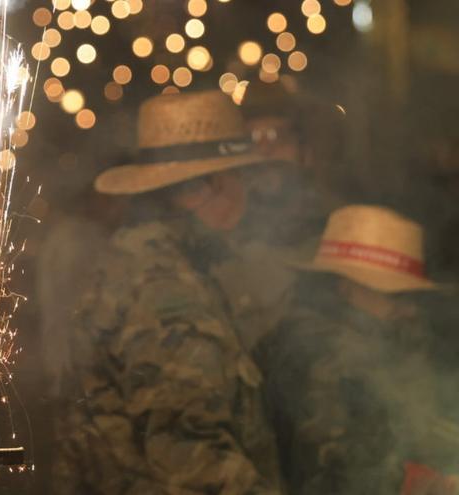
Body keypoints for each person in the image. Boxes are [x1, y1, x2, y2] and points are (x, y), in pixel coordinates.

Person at [54, 90, 283, 494]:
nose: (248, 194)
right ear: (210, 186)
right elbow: (194, 463)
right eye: (240, 176)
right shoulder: (168, 292)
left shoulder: (142, 258)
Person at [256, 205, 459, 495]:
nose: (410, 309)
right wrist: (419, 483)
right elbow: (332, 474)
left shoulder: (364, 341)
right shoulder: (319, 355)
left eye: (412, 296)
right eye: (394, 294)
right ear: (345, 288)